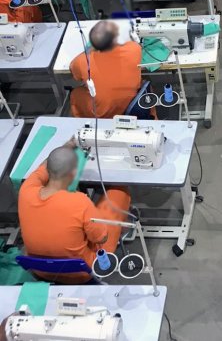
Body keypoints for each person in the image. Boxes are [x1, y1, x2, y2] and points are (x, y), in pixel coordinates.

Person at [18, 141, 130, 282]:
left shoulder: (26, 190)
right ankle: (123, 227)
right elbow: (101, 238)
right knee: (119, 193)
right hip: (81, 272)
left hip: (40, 270)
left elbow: (43, 167)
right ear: (74, 173)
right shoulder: (79, 202)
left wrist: (67, 145)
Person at [70, 20, 143, 118]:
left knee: (76, 93)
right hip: (134, 103)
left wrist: (89, 51)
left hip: (104, 112)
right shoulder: (134, 48)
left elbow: (75, 74)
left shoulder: (82, 61)